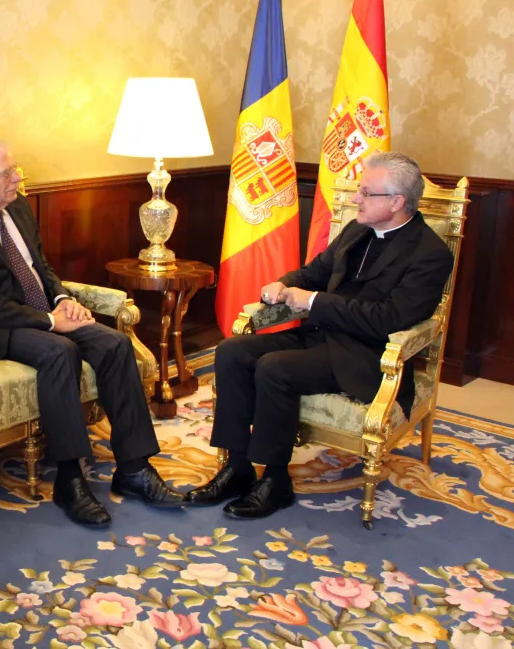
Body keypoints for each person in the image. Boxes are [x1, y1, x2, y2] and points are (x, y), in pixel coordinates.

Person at [0, 136, 185, 528]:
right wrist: (51, 322)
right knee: (58, 350)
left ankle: (134, 468)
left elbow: (40, 267)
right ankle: (70, 479)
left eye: (16, 168)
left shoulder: (17, 208)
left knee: (115, 343)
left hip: (40, 312)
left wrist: (62, 298)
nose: (18, 178)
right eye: (7, 173)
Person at [189, 152, 454, 519]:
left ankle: (275, 480)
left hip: (365, 354)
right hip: (319, 336)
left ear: (396, 202)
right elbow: (314, 272)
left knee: (274, 367)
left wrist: (314, 302)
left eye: (366, 193)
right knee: (232, 351)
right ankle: (237, 468)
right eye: (359, 190)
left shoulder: (430, 255)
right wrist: (284, 284)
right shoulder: (357, 230)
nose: (356, 199)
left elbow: (387, 319)